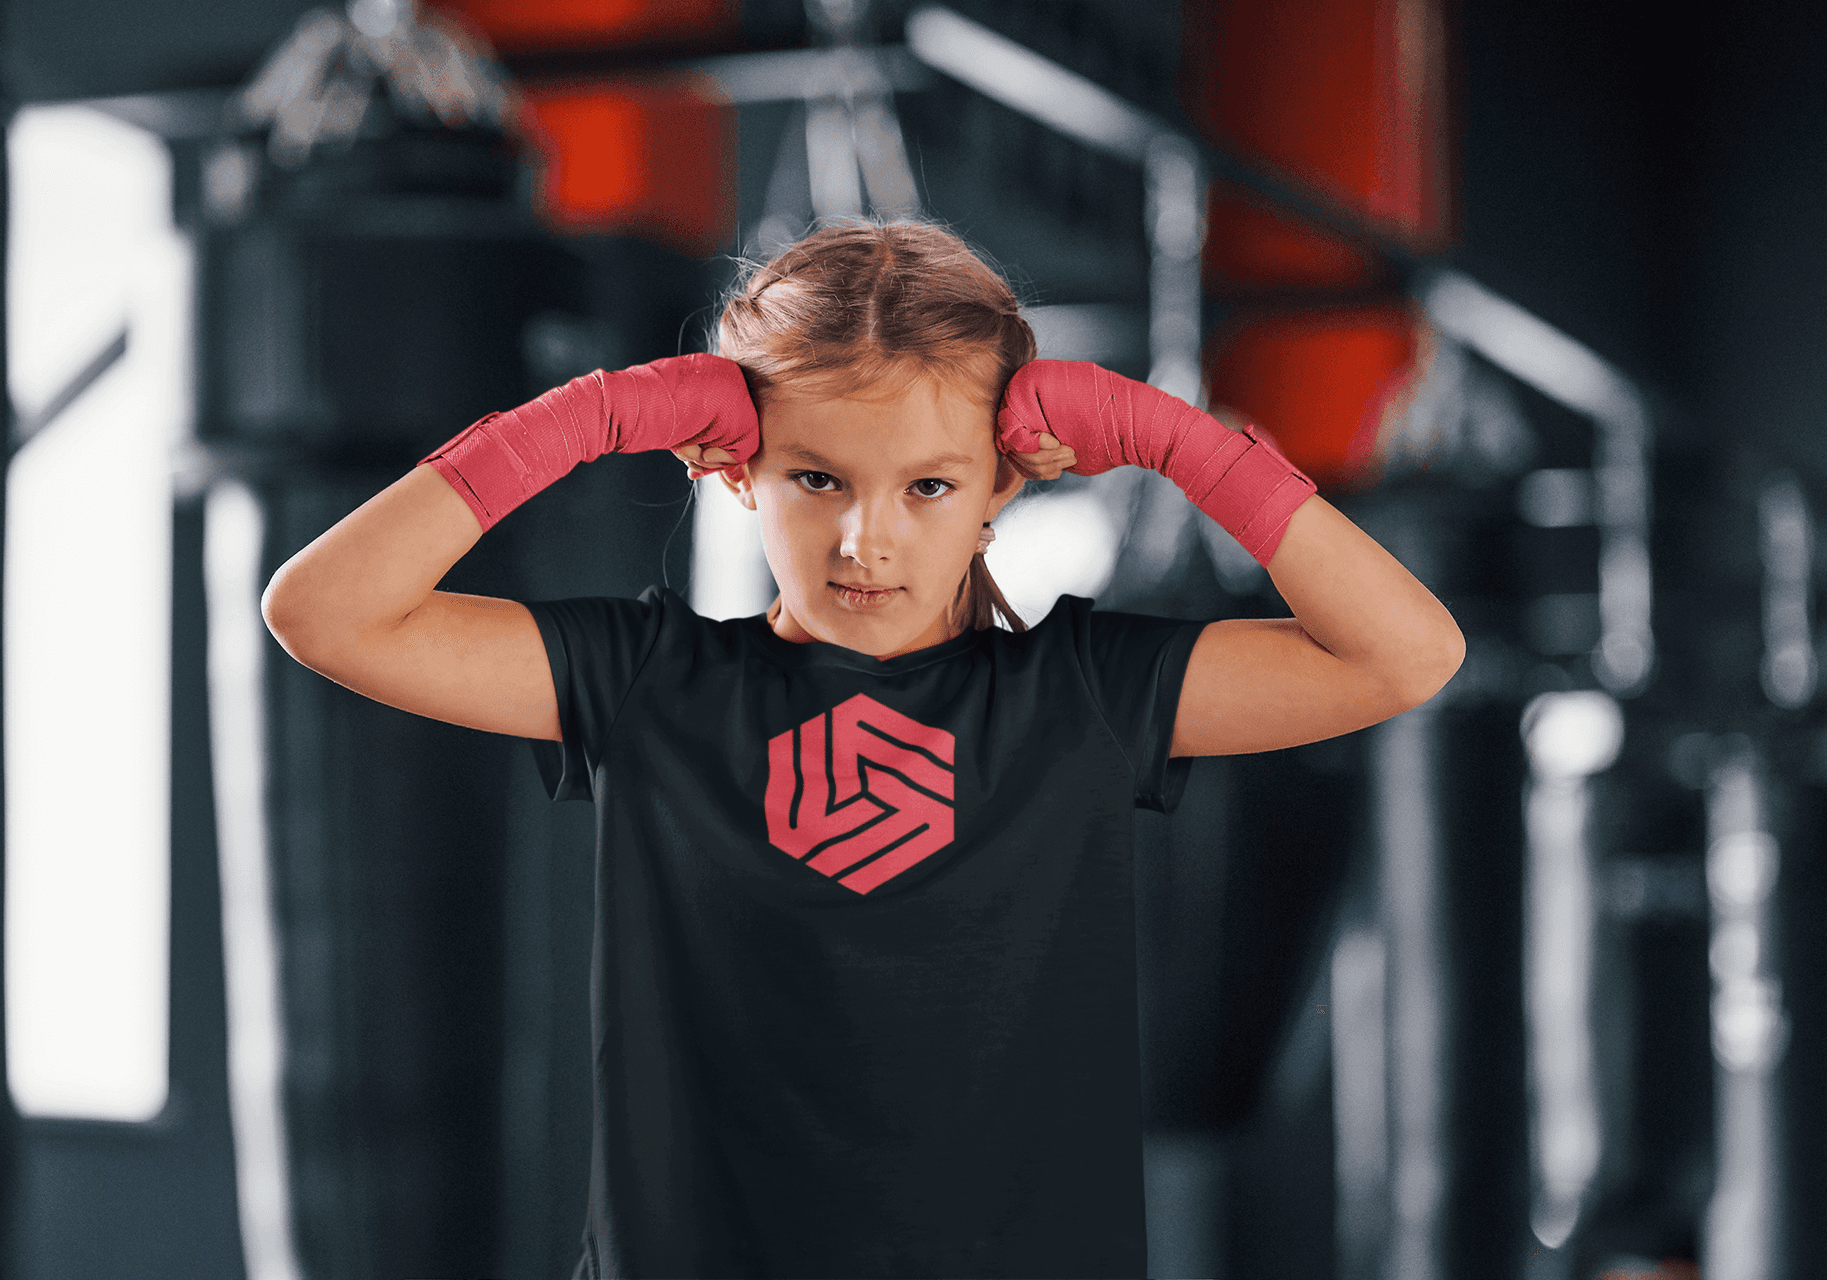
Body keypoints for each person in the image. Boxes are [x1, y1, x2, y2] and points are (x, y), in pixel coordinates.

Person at [261, 220, 1464, 1279]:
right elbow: (324, 612)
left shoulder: (1082, 694)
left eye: (930, 487)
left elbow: (1403, 656)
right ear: (739, 469)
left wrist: (1179, 441)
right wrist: (590, 416)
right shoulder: (650, 681)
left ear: (1003, 483)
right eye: (817, 477)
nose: (863, 539)